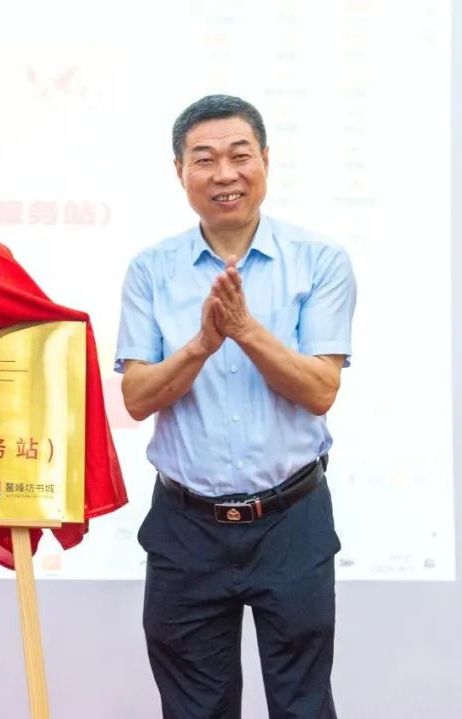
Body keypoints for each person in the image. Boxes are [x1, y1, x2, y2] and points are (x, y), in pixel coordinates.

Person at [115, 94, 356, 718]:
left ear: (266, 161)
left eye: (239, 155)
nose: (225, 174)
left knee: (303, 705)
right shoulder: (151, 270)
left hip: (291, 517)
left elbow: (320, 390)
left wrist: (245, 330)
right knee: (194, 709)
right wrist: (201, 345)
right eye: (204, 159)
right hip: (185, 523)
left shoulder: (319, 261)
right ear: (180, 171)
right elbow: (137, 398)